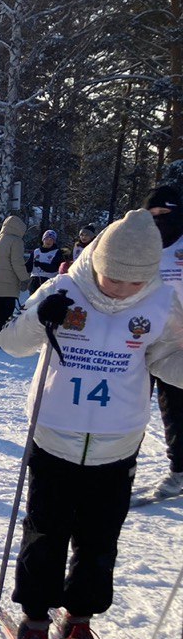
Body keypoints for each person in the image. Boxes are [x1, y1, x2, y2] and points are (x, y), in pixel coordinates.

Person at [0, 210, 183, 639]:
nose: (118, 288)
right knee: (45, 533)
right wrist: (41, 319)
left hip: (117, 443)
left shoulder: (162, 303)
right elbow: (11, 343)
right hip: (54, 437)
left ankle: (79, 621)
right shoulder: (65, 289)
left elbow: (168, 360)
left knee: (100, 540)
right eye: (111, 276)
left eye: (131, 281)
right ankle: (36, 622)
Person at [143, 185, 183, 498]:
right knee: (128, 405)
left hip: (177, 345)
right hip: (138, 338)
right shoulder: (141, 245)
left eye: (165, 214)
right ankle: (118, 465)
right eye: (152, 215)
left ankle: (179, 469)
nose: (159, 221)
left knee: (175, 408)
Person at [0, 216, 30, 345]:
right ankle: (0, 339)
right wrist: (25, 278)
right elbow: (17, 262)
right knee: (5, 312)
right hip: (8, 283)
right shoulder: (15, 241)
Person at [26, 229, 67, 294]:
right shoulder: (36, 251)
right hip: (34, 280)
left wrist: (40, 264)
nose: (49, 241)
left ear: (54, 242)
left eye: (51, 240)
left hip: (48, 281)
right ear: (43, 240)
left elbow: (53, 268)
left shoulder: (57, 252)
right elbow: (29, 267)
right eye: (47, 239)